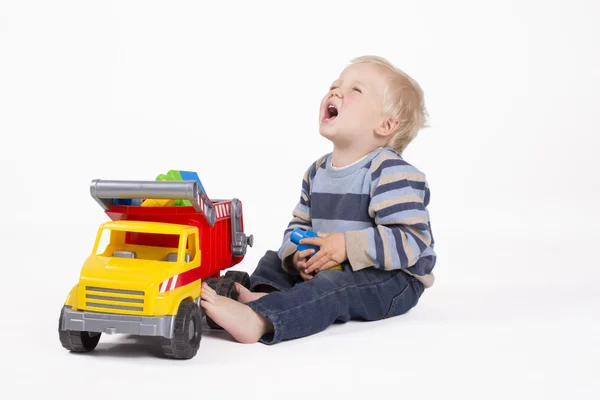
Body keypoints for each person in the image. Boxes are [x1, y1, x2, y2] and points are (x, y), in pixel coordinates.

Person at [200, 55, 436, 344]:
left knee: (335, 286)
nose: (335, 91)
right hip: (330, 266)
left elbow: (412, 241)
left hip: (392, 279)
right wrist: (297, 254)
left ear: (386, 125)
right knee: (275, 258)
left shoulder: (390, 171)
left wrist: (346, 246)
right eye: (335, 85)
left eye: (355, 90)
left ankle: (261, 319)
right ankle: (267, 296)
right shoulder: (317, 172)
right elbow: (299, 224)